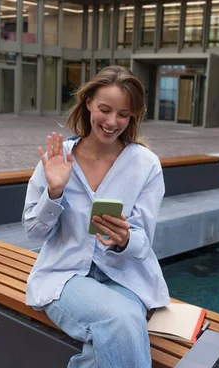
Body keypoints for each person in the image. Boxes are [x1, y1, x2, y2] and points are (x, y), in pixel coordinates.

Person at [22, 66, 170, 368]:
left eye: (124, 114)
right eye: (105, 109)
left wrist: (126, 238)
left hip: (125, 276)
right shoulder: (57, 159)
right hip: (66, 275)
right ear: (88, 102)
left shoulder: (146, 165)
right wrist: (54, 192)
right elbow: (33, 233)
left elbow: (144, 245)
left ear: (133, 117)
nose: (112, 122)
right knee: (123, 318)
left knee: (116, 331)